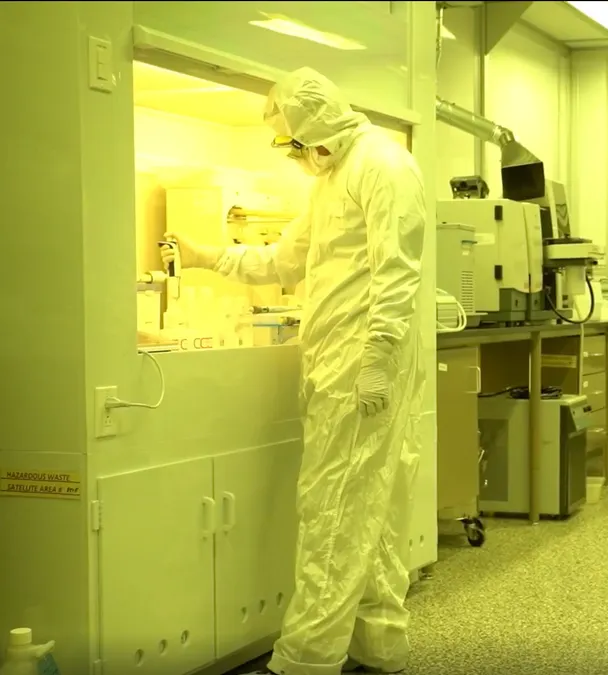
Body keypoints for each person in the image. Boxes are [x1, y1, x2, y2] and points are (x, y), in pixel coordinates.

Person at [161, 68, 426, 675]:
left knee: (330, 508)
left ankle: (304, 661)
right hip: (337, 360)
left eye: (291, 143)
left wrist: (378, 363)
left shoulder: (383, 167)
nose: (293, 155)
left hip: (363, 365)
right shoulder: (332, 180)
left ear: (316, 127)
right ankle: (378, 644)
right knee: (370, 508)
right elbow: (285, 259)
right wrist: (207, 256)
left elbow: (397, 274)